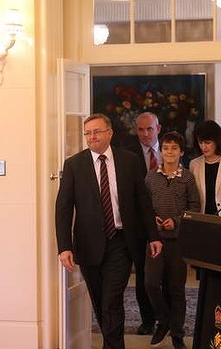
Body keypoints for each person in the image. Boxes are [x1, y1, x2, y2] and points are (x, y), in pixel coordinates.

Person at [55, 113, 163, 349]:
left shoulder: (129, 161)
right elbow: (63, 208)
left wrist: (153, 235)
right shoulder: (74, 165)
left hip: (120, 242)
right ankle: (112, 343)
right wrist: (64, 247)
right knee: (100, 302)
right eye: (88, 133)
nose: (92, 137)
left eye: (97, 131)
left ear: (109, 133)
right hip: (88, 244)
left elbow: (142, 201)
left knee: (111, 301)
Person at [144, 131, 201, 349]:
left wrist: (176, 222)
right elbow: (145, 206)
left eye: (174, 148)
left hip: (178, 240)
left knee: (177, 288)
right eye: (166, 148)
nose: (169, 152)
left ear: (181, 152)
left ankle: (177, 332)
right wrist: (153, 221)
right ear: (160, 151)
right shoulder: (150, 177)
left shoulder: (187, 177)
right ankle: (163, 319)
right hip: (154, 240)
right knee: (151, 283)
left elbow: (195, 207)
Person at [124, 111, 162, 335]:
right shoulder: (128, 156)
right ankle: (148, 320)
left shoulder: (172, 151)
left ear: (158, 128)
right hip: (139, 226)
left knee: (166, 276)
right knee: (142, 275)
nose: (145, 134)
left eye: (149, 129)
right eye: (141, 129)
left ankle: (167, 318)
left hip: (168, 224)